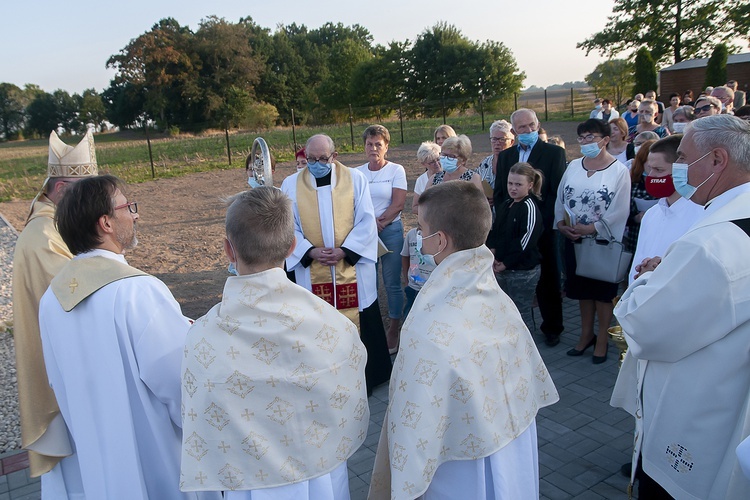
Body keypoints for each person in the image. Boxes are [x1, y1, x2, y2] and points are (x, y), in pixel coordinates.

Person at [369, 181, 559, 500]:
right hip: (510, 447)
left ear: (439, 240)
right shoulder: (497, 297)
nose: (419, 237)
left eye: (422, 228)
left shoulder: (426, 324)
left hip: (460, 470)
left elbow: (413, 417)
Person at [180, 187, 369, 498]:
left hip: (247, 483)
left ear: (229, 250)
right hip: (320, 477)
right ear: (293, 246)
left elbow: (200, 419)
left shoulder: (202, 337)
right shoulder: (332, 322)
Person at [38, 175, 215, 500]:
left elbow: (58, 384)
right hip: (157, 457)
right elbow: (181, 385)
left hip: (97, 460)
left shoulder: (52, 299)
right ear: (105, 222)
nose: (135, 215)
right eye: (128, 207)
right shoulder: (137, 290)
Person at [613, 115, 750, 499]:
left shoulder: (712, 243)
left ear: (718, 160)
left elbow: (645, 325)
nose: (676, 170)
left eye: (683, 158)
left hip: (700, 414)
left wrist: (650, 280)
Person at [12, 131, 98, 491]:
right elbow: (78, 302)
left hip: (67, 364)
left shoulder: (55, 222)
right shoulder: (45, 236)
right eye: (86, 191)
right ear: (62, 189)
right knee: (81, 478)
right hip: (63, 375)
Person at [281, 134, 392, 394]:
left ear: (334, 157)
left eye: (322, 159)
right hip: (313, 269)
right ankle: (323, 381)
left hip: (350, 268)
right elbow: (288, 226)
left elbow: (366, 221)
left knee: (360, 319)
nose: (317, 163)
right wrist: (309, 251)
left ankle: (366, 378)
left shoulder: (355, 179)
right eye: (311, 159)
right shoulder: (290, 184)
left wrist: (345, 251)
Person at [555, 119, 630, 364]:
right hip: (573, 240)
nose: (586, 142)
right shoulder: (574, 165)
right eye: (582, 137)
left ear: (605, 139)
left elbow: (620, 209)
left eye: (591, 137)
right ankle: (586, 335)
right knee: (581, 292)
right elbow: (561, 196)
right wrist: (562, 225)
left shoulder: (619, 171)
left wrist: (592, 228)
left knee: (602, 294)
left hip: (601, 243)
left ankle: (602, 340)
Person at [494, 108, 566, 346]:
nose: (527, 131)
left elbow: (555, 192)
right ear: (514, 131)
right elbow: (501, 193)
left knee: (549, 279)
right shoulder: (506, 157)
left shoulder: (554, 153)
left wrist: (537, 224)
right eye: (521, 127)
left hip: (542, 229)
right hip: (512, 229)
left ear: (538, 125)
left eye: (531, 126)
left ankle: (552, 327)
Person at [355, 125, 407, 352]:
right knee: (369, 282)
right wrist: (368, 227)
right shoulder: (356, 173)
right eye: (369, 144)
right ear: (364, 146)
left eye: (378, 144)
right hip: (366, 234)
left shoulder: (396, 170)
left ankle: (394, 327)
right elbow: (352, 204)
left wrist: (379, 223)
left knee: (392, 283)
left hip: (391, 231)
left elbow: (398, 204)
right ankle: (373, 329)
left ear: (386, 147)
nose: (373, 148)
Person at [488, 162, 544, 330]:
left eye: (518, 184)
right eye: (510, 183)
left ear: (530, 185)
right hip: (502, 268)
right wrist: (493, 253)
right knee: (504, 311)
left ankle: (527, 349)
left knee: (521, 313)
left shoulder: (529, 207)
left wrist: (506, 263)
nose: (513, 188)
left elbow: (525, 243)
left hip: (522, 271)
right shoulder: (506, 204)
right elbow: (496, 231)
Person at [622, 134, 658, 255]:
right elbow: (620, 213)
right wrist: (636, 218)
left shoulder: (670, 184)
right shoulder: (632, 183)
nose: (652, 166)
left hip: (657, 238)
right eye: (649, 161)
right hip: (635, 238)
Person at [475, 119, 515, 206]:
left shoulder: (516, 164)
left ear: (511, 142)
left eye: (502, 139)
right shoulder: (485, 163)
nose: (497, 143)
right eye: (494, 139)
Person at [400, 226, 434, 320]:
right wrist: (407, 282)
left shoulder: (437, 234)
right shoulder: (411, 234)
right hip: (413, 288)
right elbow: (405, 256)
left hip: (432, 290)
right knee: (409, 318)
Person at [412, 141, 442, 215]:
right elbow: (414, 208)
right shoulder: (421, 180)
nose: (437, 164)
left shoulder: (450, 174)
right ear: (423, 164)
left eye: (438, 159)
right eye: (432, 162)